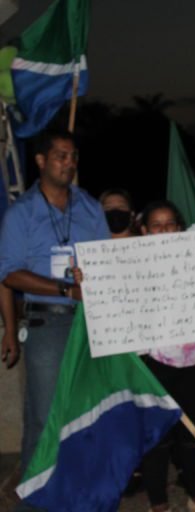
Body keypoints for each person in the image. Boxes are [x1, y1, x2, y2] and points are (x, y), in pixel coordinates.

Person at [0, 131, 110, 477]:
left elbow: (107, 259)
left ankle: (79, 487)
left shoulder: (90, 207)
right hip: (46, 323)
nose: (69, 163)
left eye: (74, 156)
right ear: (41, 161)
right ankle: (36, 493)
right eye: (61, 155)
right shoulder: (21, 213)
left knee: (87, 407)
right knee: (46, 412)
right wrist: (64, 290)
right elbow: (8, 273)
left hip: (88, 322)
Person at [136, 200, 195, 512]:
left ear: (180, 228)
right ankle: (158, 502)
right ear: (144, 231)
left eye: (170, 223)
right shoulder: (130, 268)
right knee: (156, 435)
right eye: (156, 225)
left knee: (193, 431)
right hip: (153, 361)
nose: (164, 230)